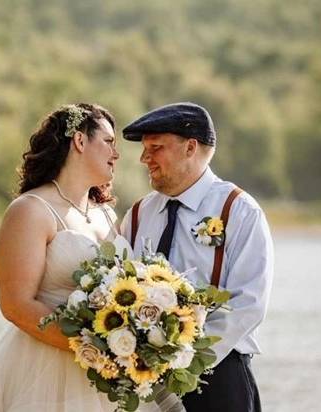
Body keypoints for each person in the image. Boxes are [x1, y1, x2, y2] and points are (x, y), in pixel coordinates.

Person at [0, 103, 182, 412]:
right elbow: (16, 305)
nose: (116, 154)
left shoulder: (104, 213)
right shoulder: (30, 210)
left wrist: (127, 343)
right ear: (79, 141)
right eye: (108, 142)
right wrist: (95, 350)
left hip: (108, 374)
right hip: (44, 368)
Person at [120, 102, 274, 412]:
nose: (144, 158)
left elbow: (248, 304)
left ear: (190, 147)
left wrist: (184, 361)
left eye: (155, 148)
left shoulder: (239, 210)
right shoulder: (137, 215)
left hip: (218, 376)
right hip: (146, 381)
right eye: (144, 149)